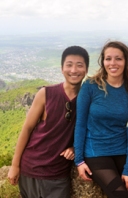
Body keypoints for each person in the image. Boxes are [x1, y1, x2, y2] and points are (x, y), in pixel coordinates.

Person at [7, 46, 89, 198]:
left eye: (79, 65)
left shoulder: (88, 100)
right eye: (69, 65)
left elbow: (90, 132)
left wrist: (75, 147)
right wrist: (14, 165)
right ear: (62, 68)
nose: (74, 70)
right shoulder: (46, 93)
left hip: (57, 174)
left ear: (86, 69)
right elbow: (27, 128)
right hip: (30, 168)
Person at [73, 41, 128, 197]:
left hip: (122, 150)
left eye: (118, 58)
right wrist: (79, 160)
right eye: (108, 58)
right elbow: (81, 124)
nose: (113, 63)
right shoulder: (90, 86)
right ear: (103, 62)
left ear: (126, 62)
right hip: (96, 152)